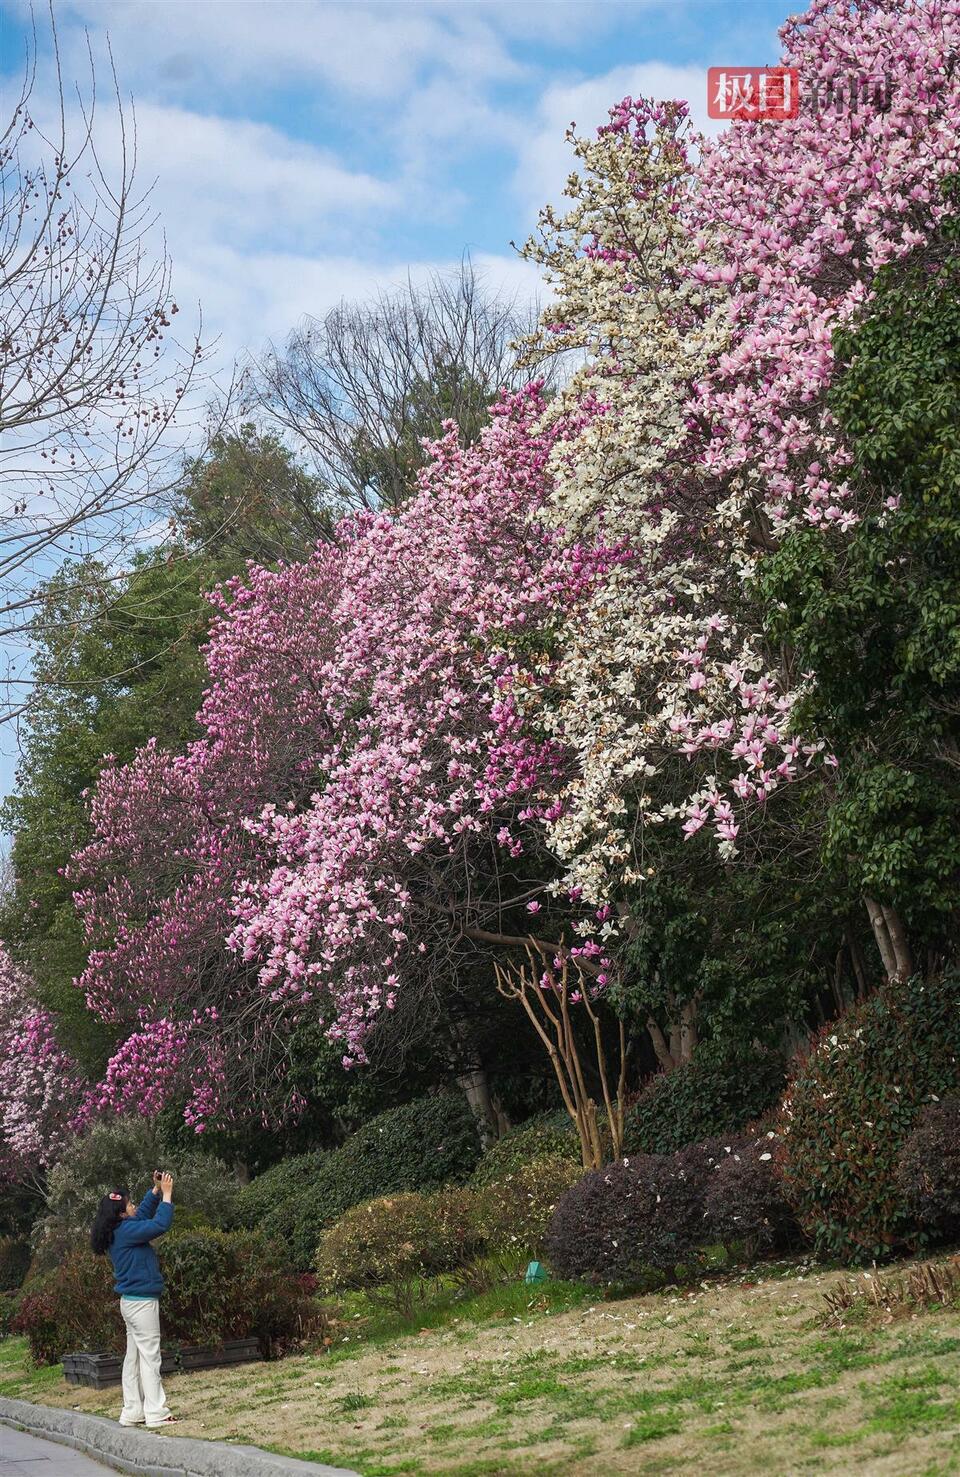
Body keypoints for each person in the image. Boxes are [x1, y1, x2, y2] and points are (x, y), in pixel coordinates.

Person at [90, 1169, 177, 1428]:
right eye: (129, 1204)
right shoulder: (127, 1231)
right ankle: (156, 1413)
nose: (133, 1205)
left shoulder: (118, 1229)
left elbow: (139, 1217)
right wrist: (167, 1196)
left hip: (130, 1301)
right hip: (142, 1302)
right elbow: (159, 1225)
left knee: (134, 1358)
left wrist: (154, 1191)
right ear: (120, 1213)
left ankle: (132, 1411)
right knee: (151, 1357)